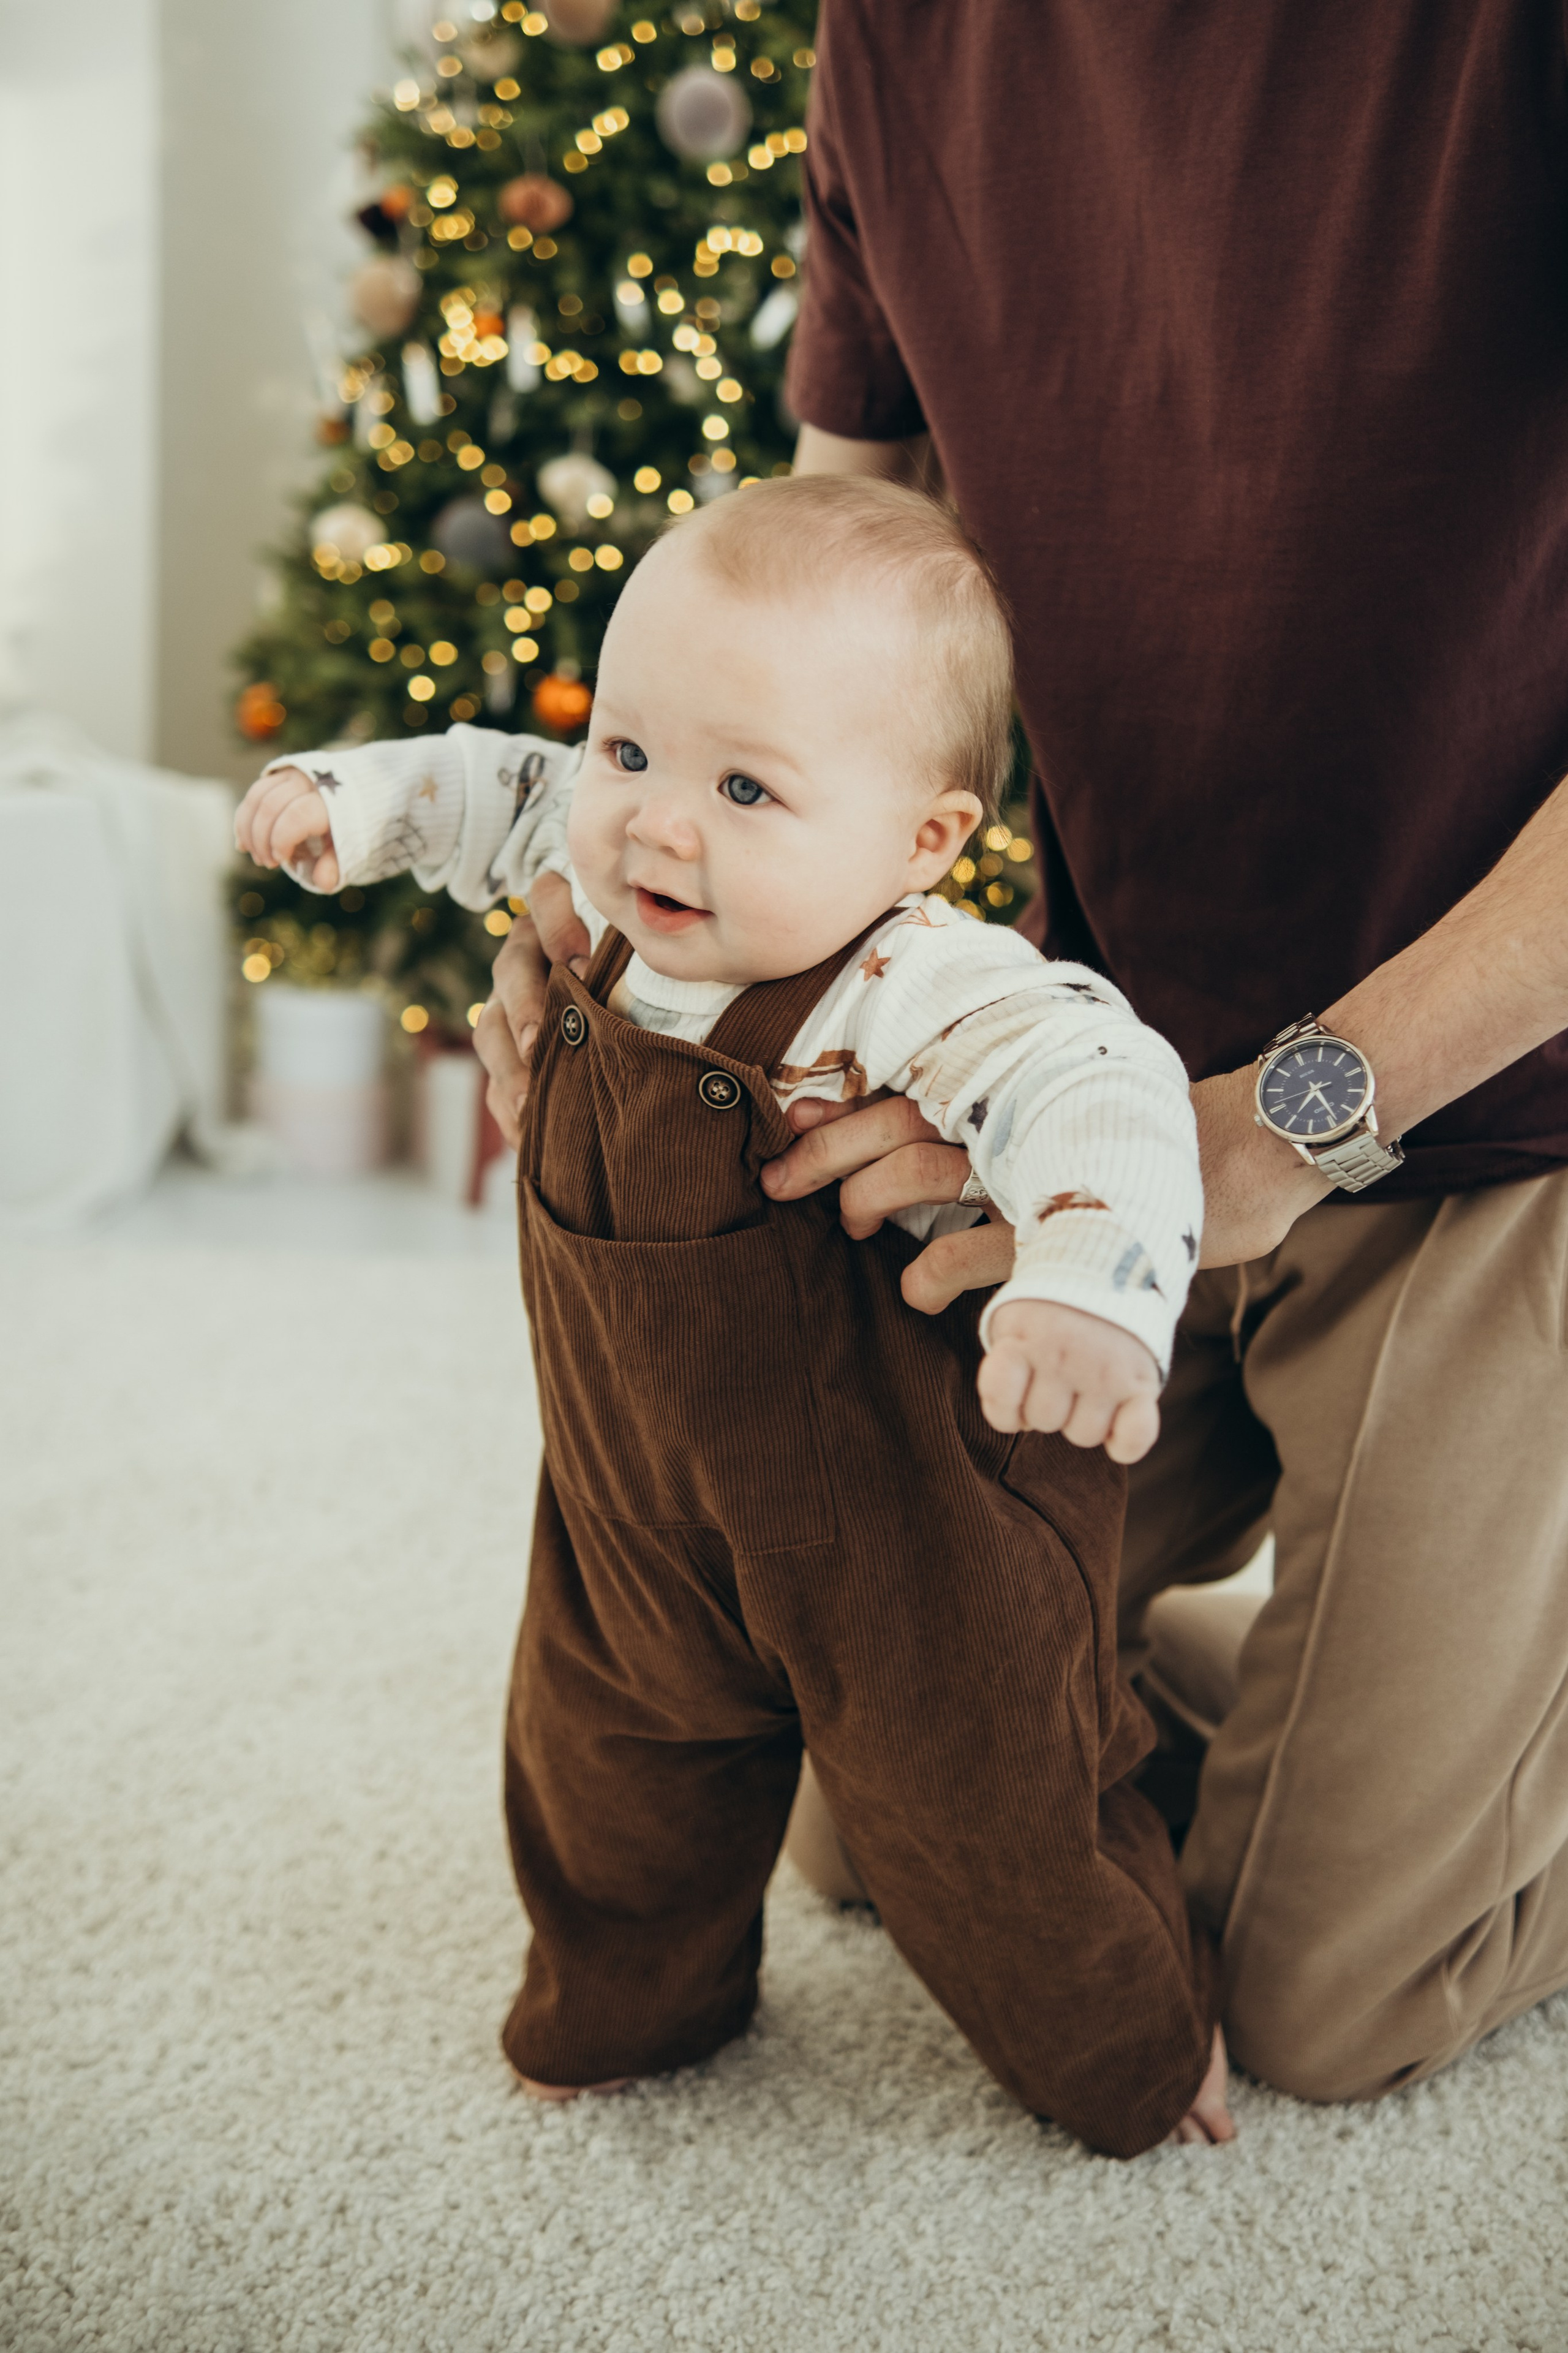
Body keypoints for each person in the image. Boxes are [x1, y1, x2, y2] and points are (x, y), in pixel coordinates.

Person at [479, 2, 1568, 2109]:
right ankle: (1432, 1681)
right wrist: (632, 900)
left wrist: (1283, 1127)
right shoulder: (902, 31)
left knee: (1319, 2003)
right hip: (1095, 1084)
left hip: (1503, 1092)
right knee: (882, 1795)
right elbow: (823, 585)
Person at [236, 475, 1234, 2155]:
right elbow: (501, 784)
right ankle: (634, 2005)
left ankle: (1134, 2048)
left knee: (988, 1820)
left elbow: (1098, 1079)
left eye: (748, 786)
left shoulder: (913, 974)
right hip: (633, 1499)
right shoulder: (606, 878)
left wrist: (1086, 1282)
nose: (653, 826)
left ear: (925, 842)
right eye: (632, 747)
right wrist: (353, 799)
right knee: (606, 1758)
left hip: (906, 1536)